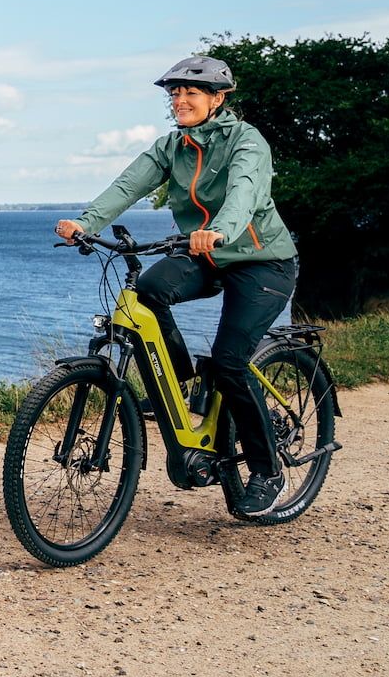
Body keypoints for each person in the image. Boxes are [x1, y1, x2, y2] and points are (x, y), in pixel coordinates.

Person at [55, 54, 300, 516]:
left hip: (261, 260)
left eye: (191, 93)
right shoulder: (173, 146)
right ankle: (182, 383)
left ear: (218, 99)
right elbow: (128, 185)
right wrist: (85, 223)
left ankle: (267, 470)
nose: (180, 100)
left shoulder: (247, 142)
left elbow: (244, 192)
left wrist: (221, 228)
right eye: (175, 94)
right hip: (203, 254)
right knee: (147, 293)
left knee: (230, 362)